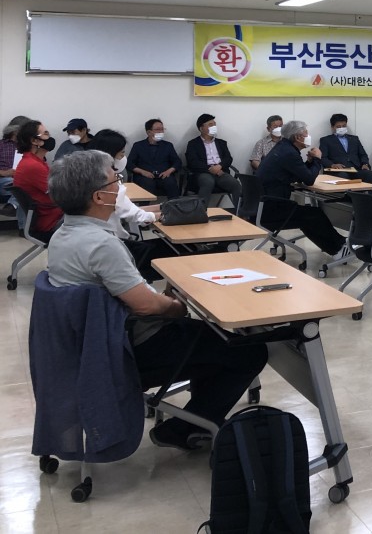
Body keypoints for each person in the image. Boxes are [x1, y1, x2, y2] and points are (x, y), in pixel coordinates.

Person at [46, 150, 268, 451]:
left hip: (93, 345)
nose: (120, 186)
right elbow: (146, 307)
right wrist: (176, 306)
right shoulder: (101, 244)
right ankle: (184, 428)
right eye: (115, 180)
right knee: (248, 350)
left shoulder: (63, 233)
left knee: (208, 338)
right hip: (128, 350)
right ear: (98, 197)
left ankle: (196, 422)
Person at [89, 129, 173, 279]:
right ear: (109, 155)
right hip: (117, 248)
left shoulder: (86, 176)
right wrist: (167, 214)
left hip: (98, 244)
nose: (123, 157)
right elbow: (137, 216)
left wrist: (160, 207)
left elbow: (124, 209)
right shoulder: (111, 185)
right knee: (176, 251)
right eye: (121, 153)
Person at [256, 120, 346, 255]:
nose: (308, 136)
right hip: (272, 209)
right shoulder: (289, 153)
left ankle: (337, 245)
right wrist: (318, 159)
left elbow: (298, 174)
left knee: (310, 214)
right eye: (306, 134)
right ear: (298, 137)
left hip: (262, 206)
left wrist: (310, 162)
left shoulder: (283, 147)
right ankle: (338, 249)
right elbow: (309, 180)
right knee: (313, 215)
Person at [12, 120, 64, 237]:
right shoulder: (32, 166)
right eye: (46, 134)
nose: (49, 138)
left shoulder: (35, 162)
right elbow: (60, 194)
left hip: (52, 216)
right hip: (52, 221)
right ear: (34, 141)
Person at [185, 114, 242, 206]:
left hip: (221, 172)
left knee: (235, 184)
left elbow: (228, 158)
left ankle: (239, 212)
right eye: (210, 124)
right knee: (208, 182)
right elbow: (193, 162)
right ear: (201, 128)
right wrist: (210, 169)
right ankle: (201, 211)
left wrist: (219, 166)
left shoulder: (221, 143)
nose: (214, 127)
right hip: (203, 172)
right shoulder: (193, 144)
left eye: (215, 124)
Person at [127, 119, 183, 199]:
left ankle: (174, 205)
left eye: (162, 129)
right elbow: (129, 163)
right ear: (149, 132)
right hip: (144, 176)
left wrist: (169, 171)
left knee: (170, 182)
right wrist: (142, 172)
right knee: (147, 183)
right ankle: (145, 206)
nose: (161, 132)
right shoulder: (138, 145)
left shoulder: (168, 145)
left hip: (163, 174)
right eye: (157, 129)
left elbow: (177, 162)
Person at [318, 113, 372, 182]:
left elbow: (363, 154)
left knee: (371, 174)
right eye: (338, 126)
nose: (341, 128)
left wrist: (365, 164)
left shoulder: (354, 139)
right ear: (332, 127)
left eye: (344, 126)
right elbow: (323, 158)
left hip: (356, 169)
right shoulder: (325, 140)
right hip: (338, 171)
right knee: (343, 176)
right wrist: (332, 165)